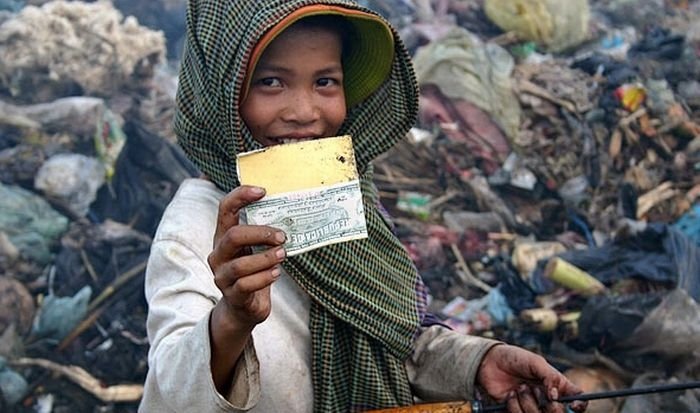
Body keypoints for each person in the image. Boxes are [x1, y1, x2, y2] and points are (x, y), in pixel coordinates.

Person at [140, 1, 588, 413]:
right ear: (220, 92)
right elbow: (172, 392)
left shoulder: (345, 198)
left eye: (325, 82)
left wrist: (477, 361)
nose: (304, 111)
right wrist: (231, 321)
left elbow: (386, 335)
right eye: (270, 82)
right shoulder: (195, 226)